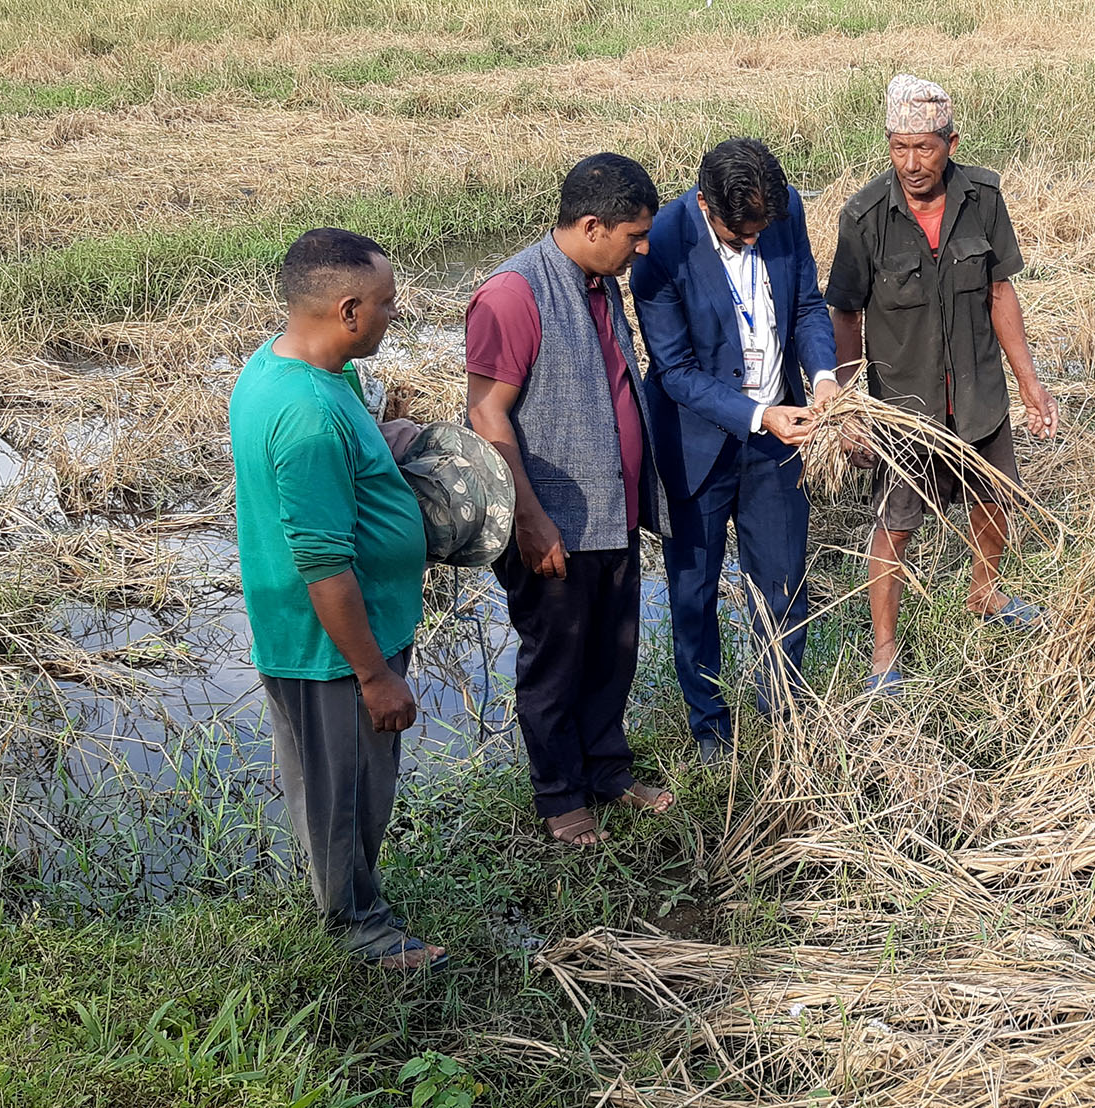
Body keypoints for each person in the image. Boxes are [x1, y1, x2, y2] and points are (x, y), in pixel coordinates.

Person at [228, 227, 443, 970]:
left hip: (339, 635)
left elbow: (340, 469)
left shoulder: (296, 369)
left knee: (338, 784)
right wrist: (375, 675)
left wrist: (389, 439)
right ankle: (361, 932)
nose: (394, 316)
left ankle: (352, 908)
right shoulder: (310, 417)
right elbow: (323, 562)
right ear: (349, 310)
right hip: (332, 645)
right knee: (344, 794)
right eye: (386, 305)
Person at [464, 153, 676, 845]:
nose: (642, 248)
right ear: (592, 225)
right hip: (553, 521)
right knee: (555, 662)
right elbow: (488, 415)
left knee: (613, 651)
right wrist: (530, 518)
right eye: (633, 234)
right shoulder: (513, 294)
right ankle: (560, 798)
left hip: (610, 510)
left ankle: (607, 771)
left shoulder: (597, 278)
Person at [824, 74, 1059, 696]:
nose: (911, 163)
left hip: (978, 393)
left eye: (924, 148)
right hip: (906, 404)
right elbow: (844, 313)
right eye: (899, 148)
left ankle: (985, 592)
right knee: (895, 523)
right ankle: (883, 656)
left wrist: (1029, 383)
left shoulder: (981, 198)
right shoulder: (865, 217)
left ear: (950, 143)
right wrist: (852, 406)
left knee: (995, 498)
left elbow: (998, 290)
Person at [630, 137, 838, 765]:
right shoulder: (660, 242)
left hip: (781, 439)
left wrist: (824, 376)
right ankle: (711, 731)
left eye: (761, 230)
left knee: (781, 580)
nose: (752, 242)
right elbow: (673, 369)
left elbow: (805, 305)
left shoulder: (785, 209)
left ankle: (786, 716)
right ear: (703, 204)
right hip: (697, 445)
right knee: (693, 594)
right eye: (737, 234)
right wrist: (756, 415)